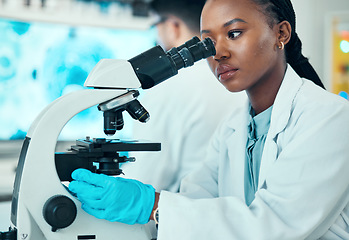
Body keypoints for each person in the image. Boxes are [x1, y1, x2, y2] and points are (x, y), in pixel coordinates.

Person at [68, 0, 349, 239]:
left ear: (282, 33)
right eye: (207, 43)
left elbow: (275, 226)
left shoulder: (328, 118)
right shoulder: (234, 127)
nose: (218, 53)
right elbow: (198, 198)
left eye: (235, 33)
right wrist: (140, 203)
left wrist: (151, 205)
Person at [121, 0, 245, 193]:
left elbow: (146, 180)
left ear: (173, 26)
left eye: (155, 26)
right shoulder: (236, 79)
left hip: (183, 212)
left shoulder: (167, 88)